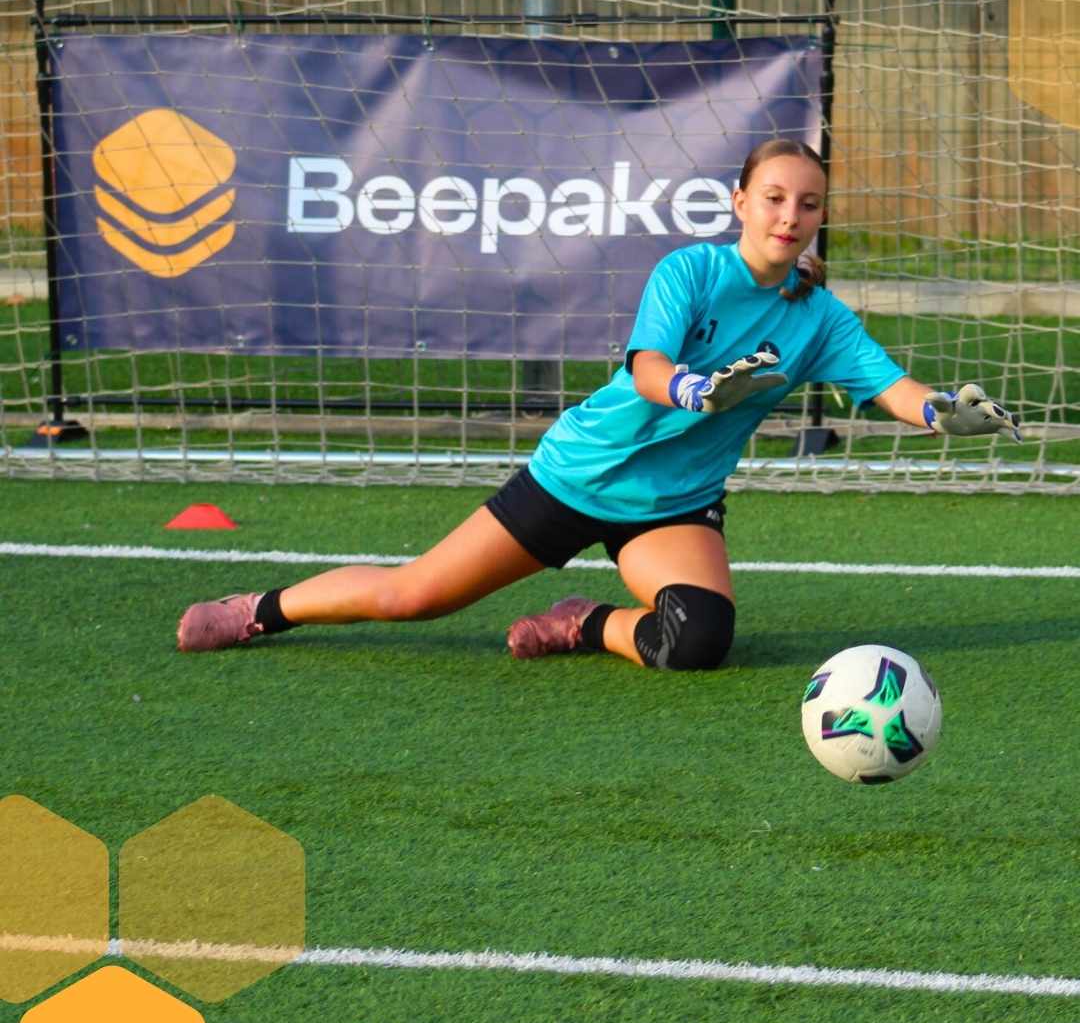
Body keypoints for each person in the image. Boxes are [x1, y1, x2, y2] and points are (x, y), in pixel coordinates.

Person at [177, 138, 1020, 668]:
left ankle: (583, 625)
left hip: (674, 506)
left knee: (698, 641)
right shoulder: (692, 271)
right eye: (773, 197)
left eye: (807, 203)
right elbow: (649, 366)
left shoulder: (820, 318)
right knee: (414, 596)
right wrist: (695, 387)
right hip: (578, 476)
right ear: (740, 202)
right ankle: (259, 611)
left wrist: (943, 412)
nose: (789, 215)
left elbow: (893, 388)